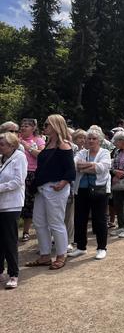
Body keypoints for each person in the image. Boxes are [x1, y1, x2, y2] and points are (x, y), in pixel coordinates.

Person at [27, 114, 75, 270]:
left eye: (47, 124)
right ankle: (45, 255)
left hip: (55, 188)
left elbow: (70, 170)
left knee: (56, 222)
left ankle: (61, 254)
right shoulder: (48, 144)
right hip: (43, 188)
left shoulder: (63, 145)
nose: (44, 126)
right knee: (39, 222)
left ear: (55, 125)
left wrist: (62, 183)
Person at [69, 127, 112, 260]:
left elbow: (102, 168)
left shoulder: (105, 152)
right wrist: (92, 166)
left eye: (94, 138)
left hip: (99, 190)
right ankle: (81, 247)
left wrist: (85, 167)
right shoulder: (82, 152)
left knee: (100, 220)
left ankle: (101, 248)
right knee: (80, 219)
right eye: (89, 138)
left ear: (99, 140)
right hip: (81, 190)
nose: (91, 141)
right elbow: (75, 165)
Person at [0, 132, 28, 288]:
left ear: (11, 145)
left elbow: (17, 181)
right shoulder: (1, 158)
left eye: (2, 144)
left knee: (10, 240)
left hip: (11, 205)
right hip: (0, 204)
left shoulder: (19, 157)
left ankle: (13, 274)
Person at [18, 118, 45, 242]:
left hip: (32, 173)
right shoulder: (15, 138)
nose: (23, 128)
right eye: (22, 125)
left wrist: (27, 147)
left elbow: (42, 155)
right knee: (17, 202)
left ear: (33, 128)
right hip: (17, 173)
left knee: (29, 203)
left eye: (27, 126)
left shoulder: (38, 140)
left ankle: (26, 231)